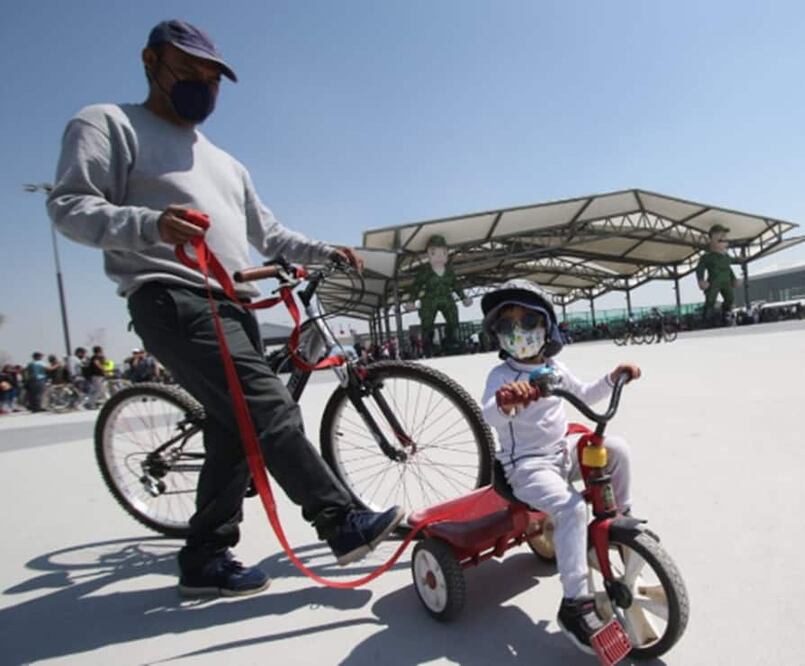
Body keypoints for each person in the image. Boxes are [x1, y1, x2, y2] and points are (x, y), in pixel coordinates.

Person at [47, 19, 403, 598]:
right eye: (188, 72)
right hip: (171, 296)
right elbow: (68, 206)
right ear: (150, 62)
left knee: (234, 430)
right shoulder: (108, 123)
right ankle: (340, 520)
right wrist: (149, 223)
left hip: (232, 305)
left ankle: (206, 554)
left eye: (212, 78)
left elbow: (271, 233)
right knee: (269, 407)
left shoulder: (226, 162)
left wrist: (324, 251)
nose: (202, 86)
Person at [479, 280, 641, 654]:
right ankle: (575, 603)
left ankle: (618, 521)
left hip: (559, 452)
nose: (519, 333)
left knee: (616, 448)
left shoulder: (554, 366)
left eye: (529, 321)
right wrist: (505, 402)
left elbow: (584, 393)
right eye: (507, 326)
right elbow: (489, 413)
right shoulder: (501, 377)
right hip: (525, 467)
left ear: (546, 327)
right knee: (571, 508)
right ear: (497, 335)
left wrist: (613, 378)